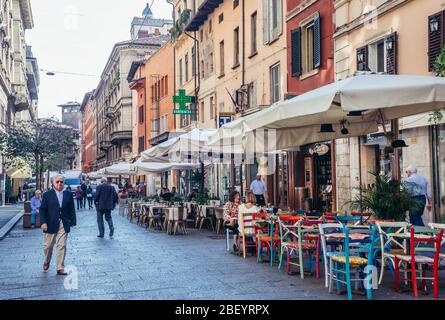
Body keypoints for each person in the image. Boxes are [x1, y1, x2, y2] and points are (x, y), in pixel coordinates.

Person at [40, 175, 76, 276]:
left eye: (61, 182)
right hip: (50, 223)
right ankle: (47, 261)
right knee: (48, 246)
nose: (59, 184)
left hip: (63, 223)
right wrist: (43, 222)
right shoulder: (47, 195)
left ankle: (60, 267)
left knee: (62, 245)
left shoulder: (68, 194)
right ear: (53, 183)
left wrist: (73, 221)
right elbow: (42, 210)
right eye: (57, 182)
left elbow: (71, 208)